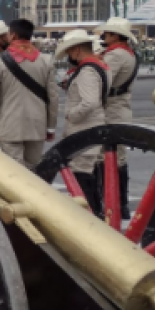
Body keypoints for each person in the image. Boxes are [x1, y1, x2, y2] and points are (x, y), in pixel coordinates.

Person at [0, 19, 58, 169]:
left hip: (10, 127)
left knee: (15, 172)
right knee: (34, 170)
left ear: (12, 35)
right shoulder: (46, 61)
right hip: (37, 126)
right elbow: (53, 97)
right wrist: (50, 128)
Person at [55, 29, 110, 215]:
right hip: (91, 125)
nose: (69, 56)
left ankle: (90, 214)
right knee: (88, 173)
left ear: (77, 50)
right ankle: (96, 212)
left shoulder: (87, 71)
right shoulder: (98, 66)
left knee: (81, 174)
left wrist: (72, 115)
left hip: (84, 127)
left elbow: (90, 102)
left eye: (70, 52)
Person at [95, 17, 139, 221]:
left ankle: (108, 201)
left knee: (104, 156)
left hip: (111, 107)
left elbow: (101, 80)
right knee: (119, 157)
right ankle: (122, 203)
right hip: (121, 106)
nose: (104, 36)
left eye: (107, 33)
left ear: (116, 35)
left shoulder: (115, 56)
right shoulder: (128, 54)